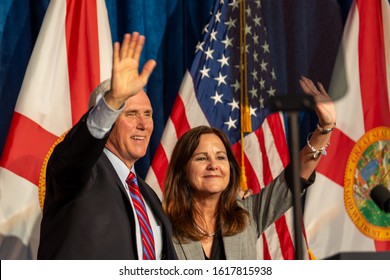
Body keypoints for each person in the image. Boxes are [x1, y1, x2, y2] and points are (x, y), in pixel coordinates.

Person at [163, 76, 336, 260]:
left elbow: (293, 180)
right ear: (182, 170)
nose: (213, 165)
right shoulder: (164, 228)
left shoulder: (247, 215)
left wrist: (325, 127)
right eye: (202, 158)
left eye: (221, 157)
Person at [37, 32, 177, 260]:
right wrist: (112, 102)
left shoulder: (148, 194)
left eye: (148, 114)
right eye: (131, 113)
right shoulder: (79, 175)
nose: (143, 124)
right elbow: (76, 154)